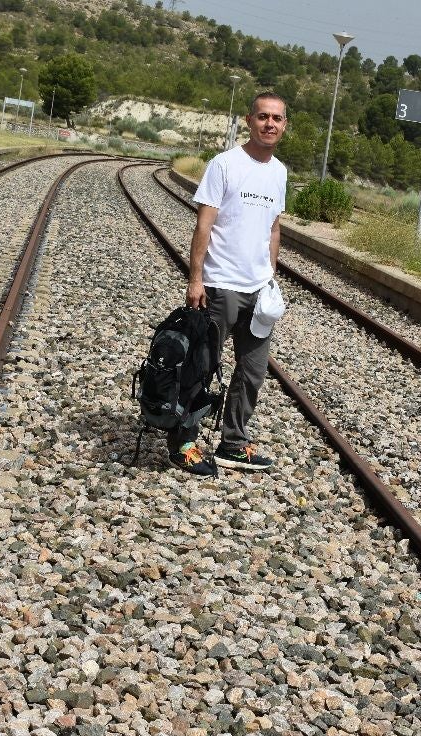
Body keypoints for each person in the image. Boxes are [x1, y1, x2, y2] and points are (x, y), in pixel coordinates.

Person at [169, 92, 289, 476]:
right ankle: (183, 443)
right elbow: (203, 224)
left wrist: (270, 277)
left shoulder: (279, 172)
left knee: (253, 371)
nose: (270, 124)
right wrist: (196, 279)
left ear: (284, 125)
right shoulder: (224, 164)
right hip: (220, 286)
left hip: (258, 291)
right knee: (202, 366)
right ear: (249, 121)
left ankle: (233, 444)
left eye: (277, 118)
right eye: (263, 116)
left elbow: (273, 228)